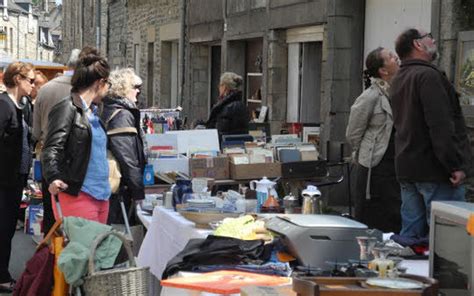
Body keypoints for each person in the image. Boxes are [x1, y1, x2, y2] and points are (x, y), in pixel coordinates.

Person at [390, 28, 472, 238]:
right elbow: (440, 125)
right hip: (434, 170)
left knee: (411, 238)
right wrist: (454, 165)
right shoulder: (428, 76)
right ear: (418, 44)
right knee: (450, 240)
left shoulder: (400, 76)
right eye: (429, 37)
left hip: (409, 167)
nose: (434, 39)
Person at [41, 47, 112, 224]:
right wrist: (54, 176)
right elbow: (51, 148)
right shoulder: (67, 108)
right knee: (83, 250)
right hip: (78, 193)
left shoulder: (94, 112)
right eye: (108, 83)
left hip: (101, 194)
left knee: (96, 251)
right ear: (99, 82)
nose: (109, 88)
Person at [346, 47, 401, 233]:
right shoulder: (370, 96)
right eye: (391, 57)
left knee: (395, 210)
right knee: (374, 214)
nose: (397, 58)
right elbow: (353, 132)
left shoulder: (400, 90)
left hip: (397, 162)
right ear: (383, 71)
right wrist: (363, 153)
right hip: (374, 164)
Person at [32, 48, 80, 235]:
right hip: (75, 160)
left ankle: (51, 256)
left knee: (51, 210)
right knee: (73, 215)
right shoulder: (82, 90)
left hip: (48, 156)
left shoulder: (45, 89)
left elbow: (35, 131)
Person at [0, 62, 35, 293]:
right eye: (30, 80)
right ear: (17, 79)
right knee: (3, 228)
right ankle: (1, 275)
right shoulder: (4, 105)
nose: (32, 85)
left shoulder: (21, 105)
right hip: (3, 180)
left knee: (7, 227)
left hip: (13, 179)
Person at [100, 68, 146, 225]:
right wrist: (138, 192)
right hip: (119, 188)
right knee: (119, 235)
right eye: (135, 87)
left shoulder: (111, 108)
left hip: (115, 186)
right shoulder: (122, 115)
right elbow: (127, 158)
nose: (138, 91)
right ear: (124, 89)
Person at [206, 72, 249, 141]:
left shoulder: (226, 107)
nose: (218, 87)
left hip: (225, 146)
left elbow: (221, 132)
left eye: (220, 85)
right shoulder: (241, 105)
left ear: (225, 87)